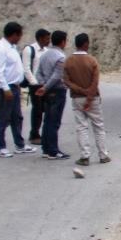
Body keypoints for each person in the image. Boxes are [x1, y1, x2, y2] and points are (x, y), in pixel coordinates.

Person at [63, 33, 110, 166]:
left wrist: (80, 90)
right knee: (98, 126)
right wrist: (89, 96)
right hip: (93, 98)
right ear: (86, 44)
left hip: (77, 98)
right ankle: (103, 155)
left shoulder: (69, 61)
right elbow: (95, 82)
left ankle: (85, 156)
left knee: (81, 127)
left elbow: (66, 81)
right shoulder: (92, 60)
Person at [0, 21, 34, 157]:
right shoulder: (1, 48)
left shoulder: (11, 47)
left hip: (14, 87)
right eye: (20, 34)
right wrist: (5, 89)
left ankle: (19, 144)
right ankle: (0, 147)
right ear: (14, 34)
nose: (20, 37)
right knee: (4, 118)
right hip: (6, 88)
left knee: (17, 117)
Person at [34, 30, 69, 160]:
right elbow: (57, 76)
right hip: (57, 91)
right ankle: (53, 151)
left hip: (47, 92)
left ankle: (46, 148)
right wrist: (46, 87)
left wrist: (42, 86)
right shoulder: (61, 57)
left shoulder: (44, 55)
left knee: (47, 119)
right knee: (54, 121)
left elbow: (38, 73)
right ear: (63, 42)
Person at [21, 28, 51, 145]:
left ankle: (45, 133)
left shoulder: (47, 51)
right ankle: (34, 134)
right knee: (37, 110)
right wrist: (34, 83)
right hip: (35, 85)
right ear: (40, 38)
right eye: (46, 38)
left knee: (46, 109)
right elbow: (26, 68)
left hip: (45, 84)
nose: (48, 41)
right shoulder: (29, 50)